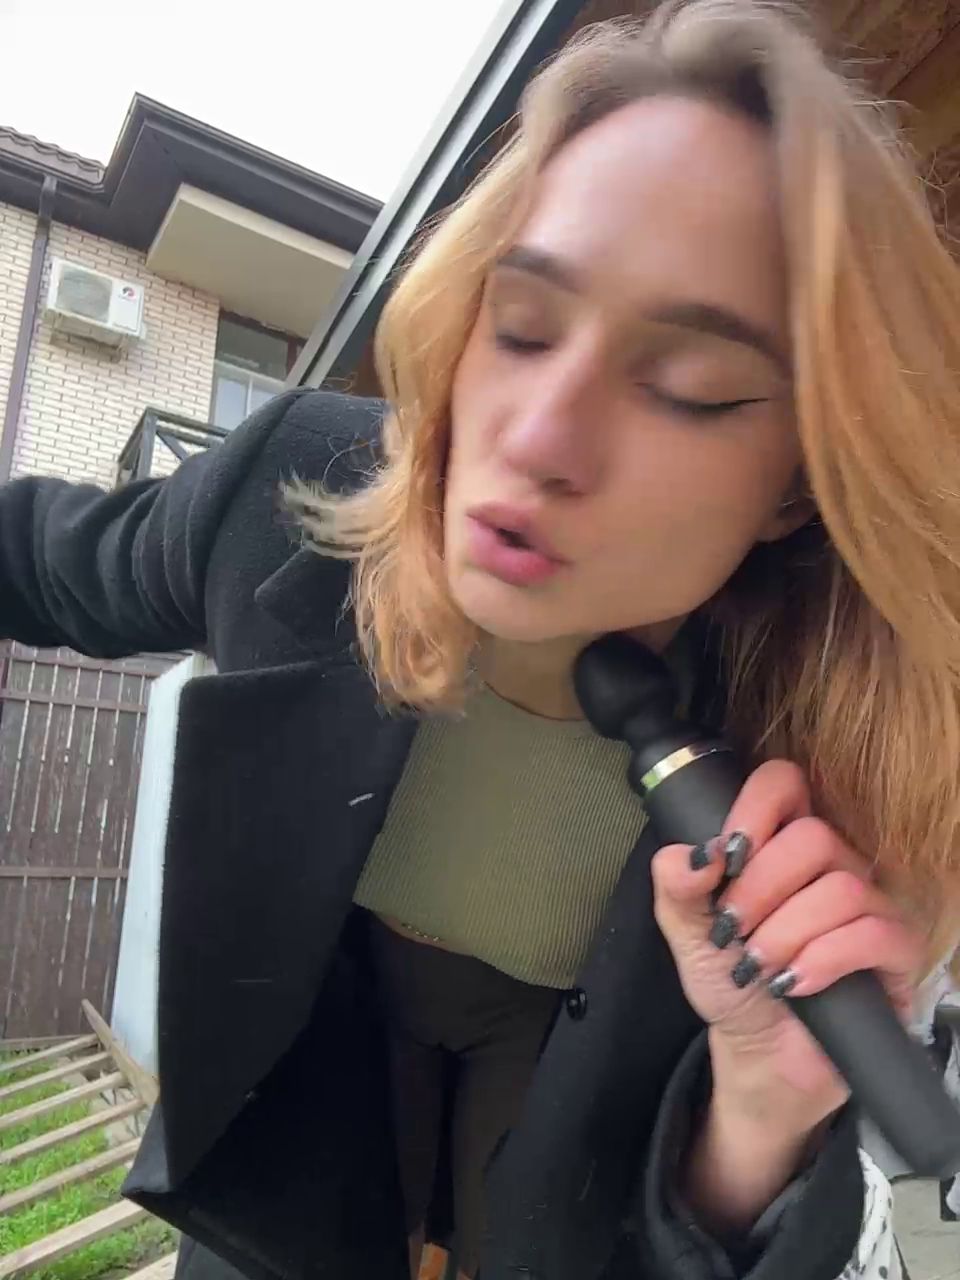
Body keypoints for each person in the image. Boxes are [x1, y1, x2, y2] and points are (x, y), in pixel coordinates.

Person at [2, 1, 960, 1277]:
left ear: (801, 481)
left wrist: (761, 1105)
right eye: (521, 324)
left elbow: (676, 1233)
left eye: (691, 389)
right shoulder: (287, 498)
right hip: (322, 1030)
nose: (540, 438)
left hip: (556, 1064)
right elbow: (44, 558)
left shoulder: (831, 751)